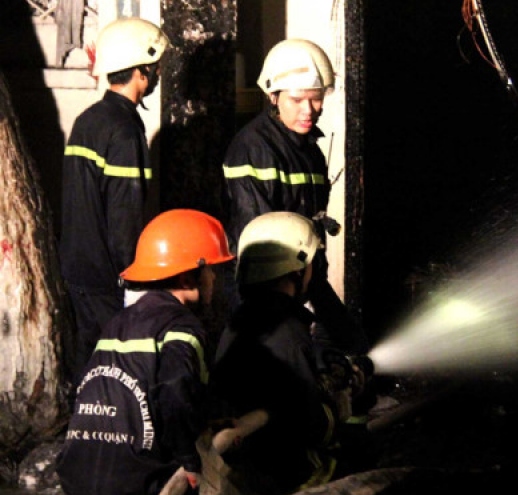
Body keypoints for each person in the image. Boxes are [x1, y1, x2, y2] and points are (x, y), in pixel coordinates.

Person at [55, 209, 235, 495]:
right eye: (210, 269)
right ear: (189, 277)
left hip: (77, 478)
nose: (214, 277)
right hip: (134, 485)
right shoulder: (182, 326)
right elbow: (176, 393)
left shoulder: (116, 323)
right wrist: (189, 461)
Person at [221, 38, 370, 356]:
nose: (309, 110)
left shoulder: (310, 151)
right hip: (262, 297)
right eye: (298, 99)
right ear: (273, 96)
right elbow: (261, 250)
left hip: (299, 283)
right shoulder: (254, 148)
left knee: (349, 350)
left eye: (316, 99)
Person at [210, 211, 370, 494]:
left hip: (246, 466)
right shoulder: (289, 332)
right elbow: (311, 427)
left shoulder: (242, 320)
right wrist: (338, 404)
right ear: (297, 269)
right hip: (282, 476)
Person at [59, 17, 169, 379]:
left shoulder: (87, 120)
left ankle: (83, 426)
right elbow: (125, 214)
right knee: (120, 366)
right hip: (107, 274)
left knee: (88, 363)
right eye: (154, 67)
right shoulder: (124, 131)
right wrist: (134, 277)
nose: (157, 73)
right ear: (141, 71)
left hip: (77, 264)